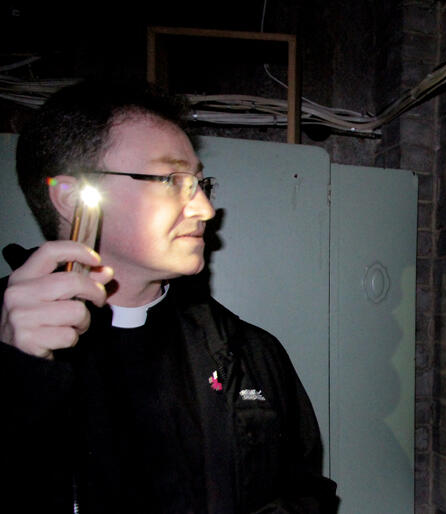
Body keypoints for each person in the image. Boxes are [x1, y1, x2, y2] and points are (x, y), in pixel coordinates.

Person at [0, 81, 338, 513]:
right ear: (70, 198)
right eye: (171, 179)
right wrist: (15, 379)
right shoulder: (7, 350)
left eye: (199, 182)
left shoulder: (250, 352)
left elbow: (305, 491)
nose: (206, 210)